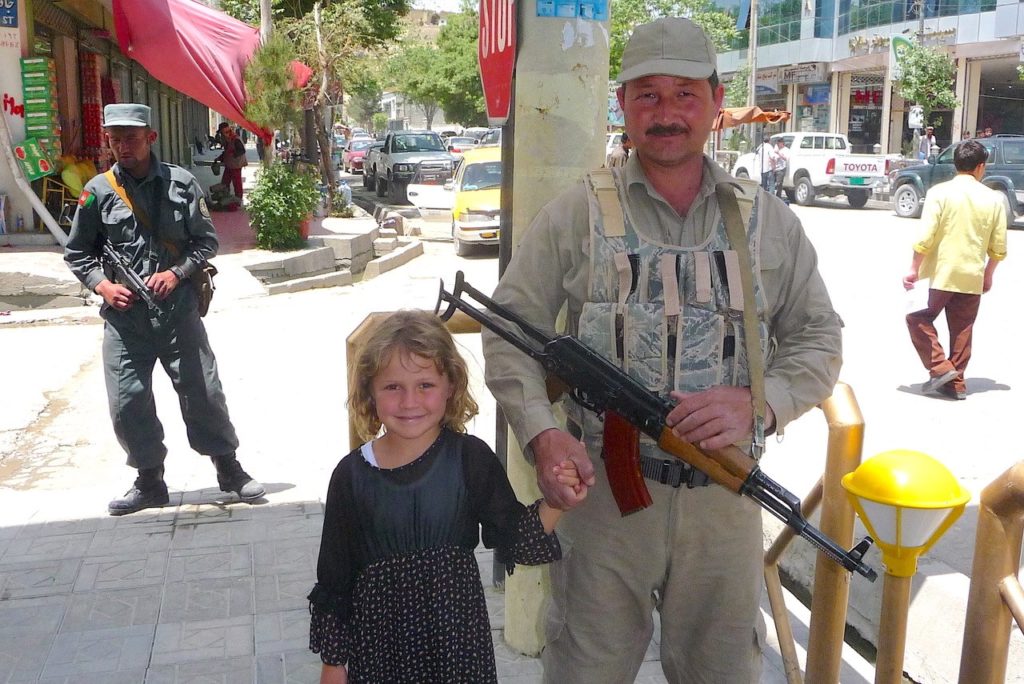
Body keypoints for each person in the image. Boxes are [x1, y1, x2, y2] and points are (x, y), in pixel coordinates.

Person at [482, 16, 842, 684]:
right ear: (623, 103)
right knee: (585, 670)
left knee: (724, 673)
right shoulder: (577, 214)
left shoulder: (767, 220)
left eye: (684, 94)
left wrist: (762, 407)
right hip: (603, 501)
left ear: (714, 102)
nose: (667, 112)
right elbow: (509, 330)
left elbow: (819, 339)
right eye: (647, 94)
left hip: (722, 507)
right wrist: (540, 435)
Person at [308, 310, 585, 684]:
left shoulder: (470, 459)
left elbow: (518, 539)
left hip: (457, 654)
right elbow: (335, 581)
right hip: (380, 655)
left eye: (425, 385)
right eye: (392, 387)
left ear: (451, 385)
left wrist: (557, 501)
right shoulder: (350, 476)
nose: (410, 401)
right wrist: (333, 664)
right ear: (370, 392)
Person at [64, 103, 264, 515]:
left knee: (203, 392)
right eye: (115, 139)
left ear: (150, 138)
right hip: (126, 319)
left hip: (177, 310)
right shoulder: (98, 191)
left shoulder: (182, 183)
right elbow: (78, 252)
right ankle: (149, 481)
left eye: (131, 138)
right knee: (127, 402)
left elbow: (206, 242)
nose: (123, 147)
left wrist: (176, 273)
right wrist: (103, 286)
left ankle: (228, 468)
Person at [903, 139, 1007, 401]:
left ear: (956, 163)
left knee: (918, 319)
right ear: (980, 167)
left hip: (942, 273)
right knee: (962, 330)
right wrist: (988, 274)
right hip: (971, 274)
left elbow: (925, 237)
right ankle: (956, 383)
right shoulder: (993, 199)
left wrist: (914, 269)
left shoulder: (940, 193)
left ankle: (941, 368)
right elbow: (999, 246)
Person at [216, 127, 247, 198]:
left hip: (236, 165)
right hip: (229, 165)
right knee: (225, 182)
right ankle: (225, 197)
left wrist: (233, 154)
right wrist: (219, 158)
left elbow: (242, 150)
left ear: (227, 132)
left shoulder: (236, 139)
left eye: (222, 134)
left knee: (237, 183)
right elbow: (226, 152)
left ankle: (238, 199)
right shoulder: (228, 140)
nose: (221, 136)